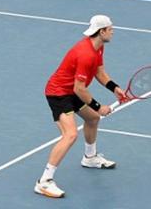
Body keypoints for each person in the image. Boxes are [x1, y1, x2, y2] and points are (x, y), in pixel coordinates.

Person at [34, 15, 126, 199]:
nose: (113, 31)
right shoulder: (85, 53)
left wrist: (114, 88)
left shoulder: (98, 48)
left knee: (92, 118)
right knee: (70, 135)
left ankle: (90, 158)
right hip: (59, 93)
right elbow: (79, 88)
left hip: (71, 91)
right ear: (101, 31)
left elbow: (100, 72)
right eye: (110, 28)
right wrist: (99, 106)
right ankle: (44, 181)